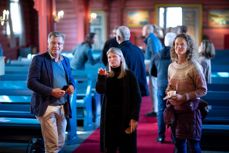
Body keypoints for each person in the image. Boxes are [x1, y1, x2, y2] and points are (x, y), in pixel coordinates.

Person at [27, 31, 76, 153]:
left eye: (59, 43)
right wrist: (51, 91)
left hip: (63, 106)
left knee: (60, 141)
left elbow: (71, 78)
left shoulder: (66, 60)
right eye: (53, 43)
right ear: (48, 44)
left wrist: (71, 86)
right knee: (52, 144)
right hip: (46, 105)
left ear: (63, 45)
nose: (56, 46)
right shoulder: (39, 59)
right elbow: (31, 82)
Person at [165, 33, 207, 153]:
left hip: (190, 111)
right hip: (176, 111)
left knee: (194, 145)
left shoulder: (194, 67)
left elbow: (203, 89)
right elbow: (170, 86)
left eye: (182, 44)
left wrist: (183, 97)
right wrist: (169, 93)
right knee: (179, 145)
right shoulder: (171, 66)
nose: (179, 47)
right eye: (176, 44)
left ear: (188, 46)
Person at [96, 47, 141, 153]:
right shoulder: (106, 75)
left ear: (121, 58)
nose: (111, 59)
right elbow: (100, 90)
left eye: (114, 56)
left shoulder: (129, 75)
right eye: (109, 57)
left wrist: (134, 117)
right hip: (109, 117)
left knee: (126, 147)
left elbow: (137, 98)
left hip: (125, 116)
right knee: (110, 147)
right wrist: (101, 78)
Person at [150, 32, 176, 143]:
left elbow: (153, 72)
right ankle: (175, 137)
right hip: (174, 86)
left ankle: (161, 136)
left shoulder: (157, 55)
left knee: (161, 110)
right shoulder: (176, 55)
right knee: (175, 110)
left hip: (161, 85)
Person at [116, 25, 149, 97]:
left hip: (125, 91)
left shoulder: (119, 52)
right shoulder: (138, 50)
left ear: (118, 37)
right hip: (138, 88)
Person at [142, 24, 163, 117]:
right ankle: (156, 109)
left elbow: (155, 55)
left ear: (147, 30)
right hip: (155, 67)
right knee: (154, 88)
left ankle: (156, 110)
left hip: (154, 68)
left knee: (153, 88)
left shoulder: (151, 39)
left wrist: (150, 66)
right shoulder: (153, 39)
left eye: (143, 29)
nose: (142, 31)